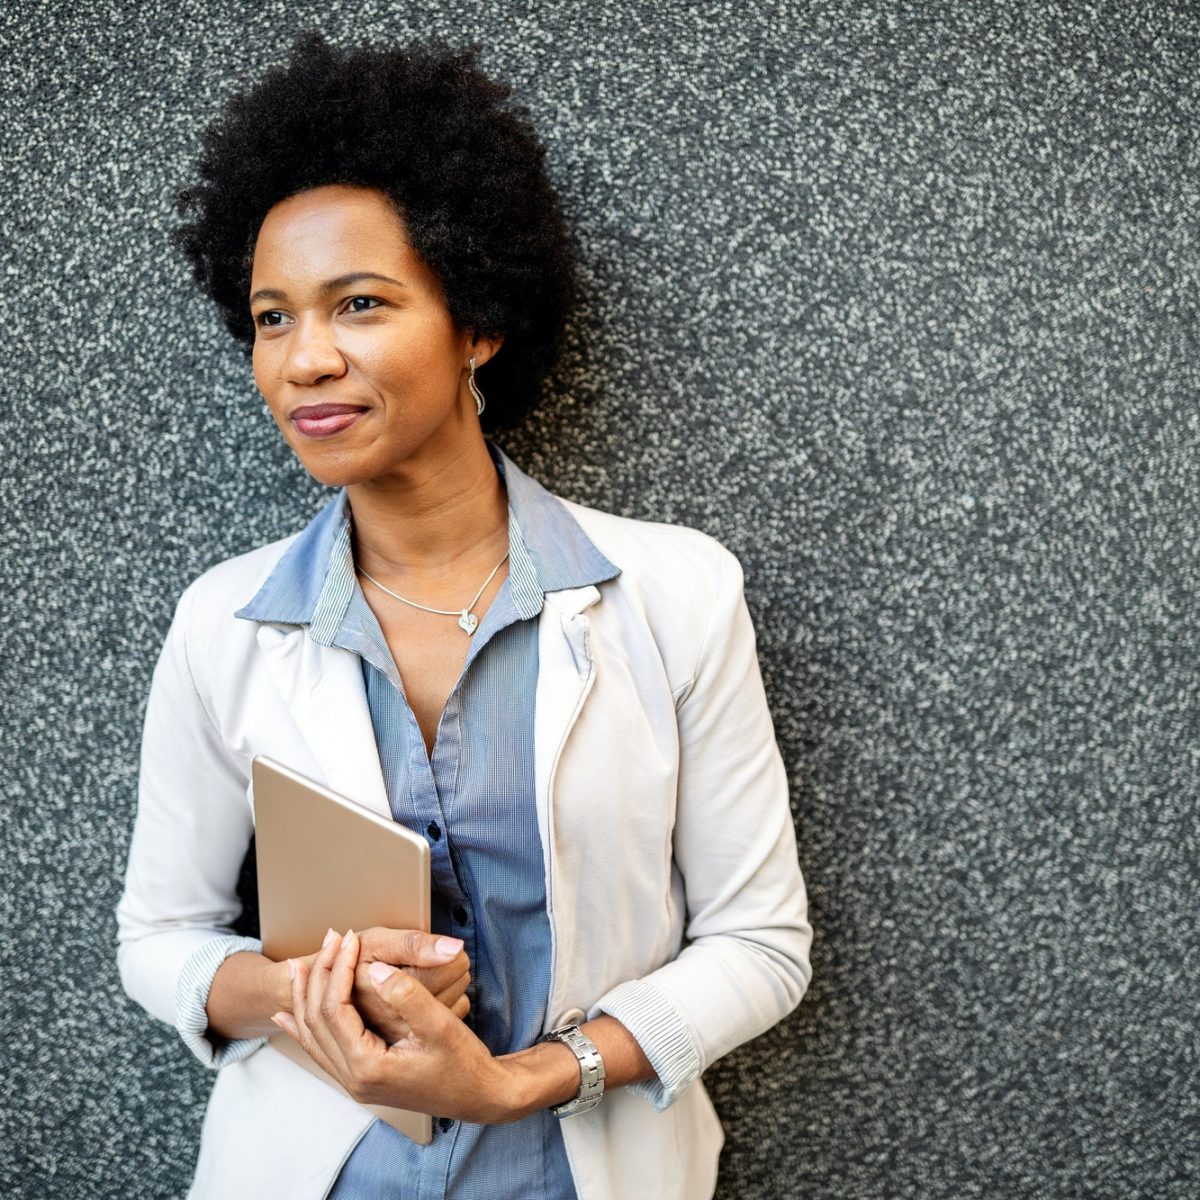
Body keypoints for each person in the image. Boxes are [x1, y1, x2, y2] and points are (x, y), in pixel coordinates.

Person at [115, 30, 813, 1200]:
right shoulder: (223, 622)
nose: (305, 360)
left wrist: (519, 1082)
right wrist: (308, 994)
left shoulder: (679, 593)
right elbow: (161, 939)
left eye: (361, 304)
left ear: (478, 321)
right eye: (273, 318)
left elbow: (760, 945)